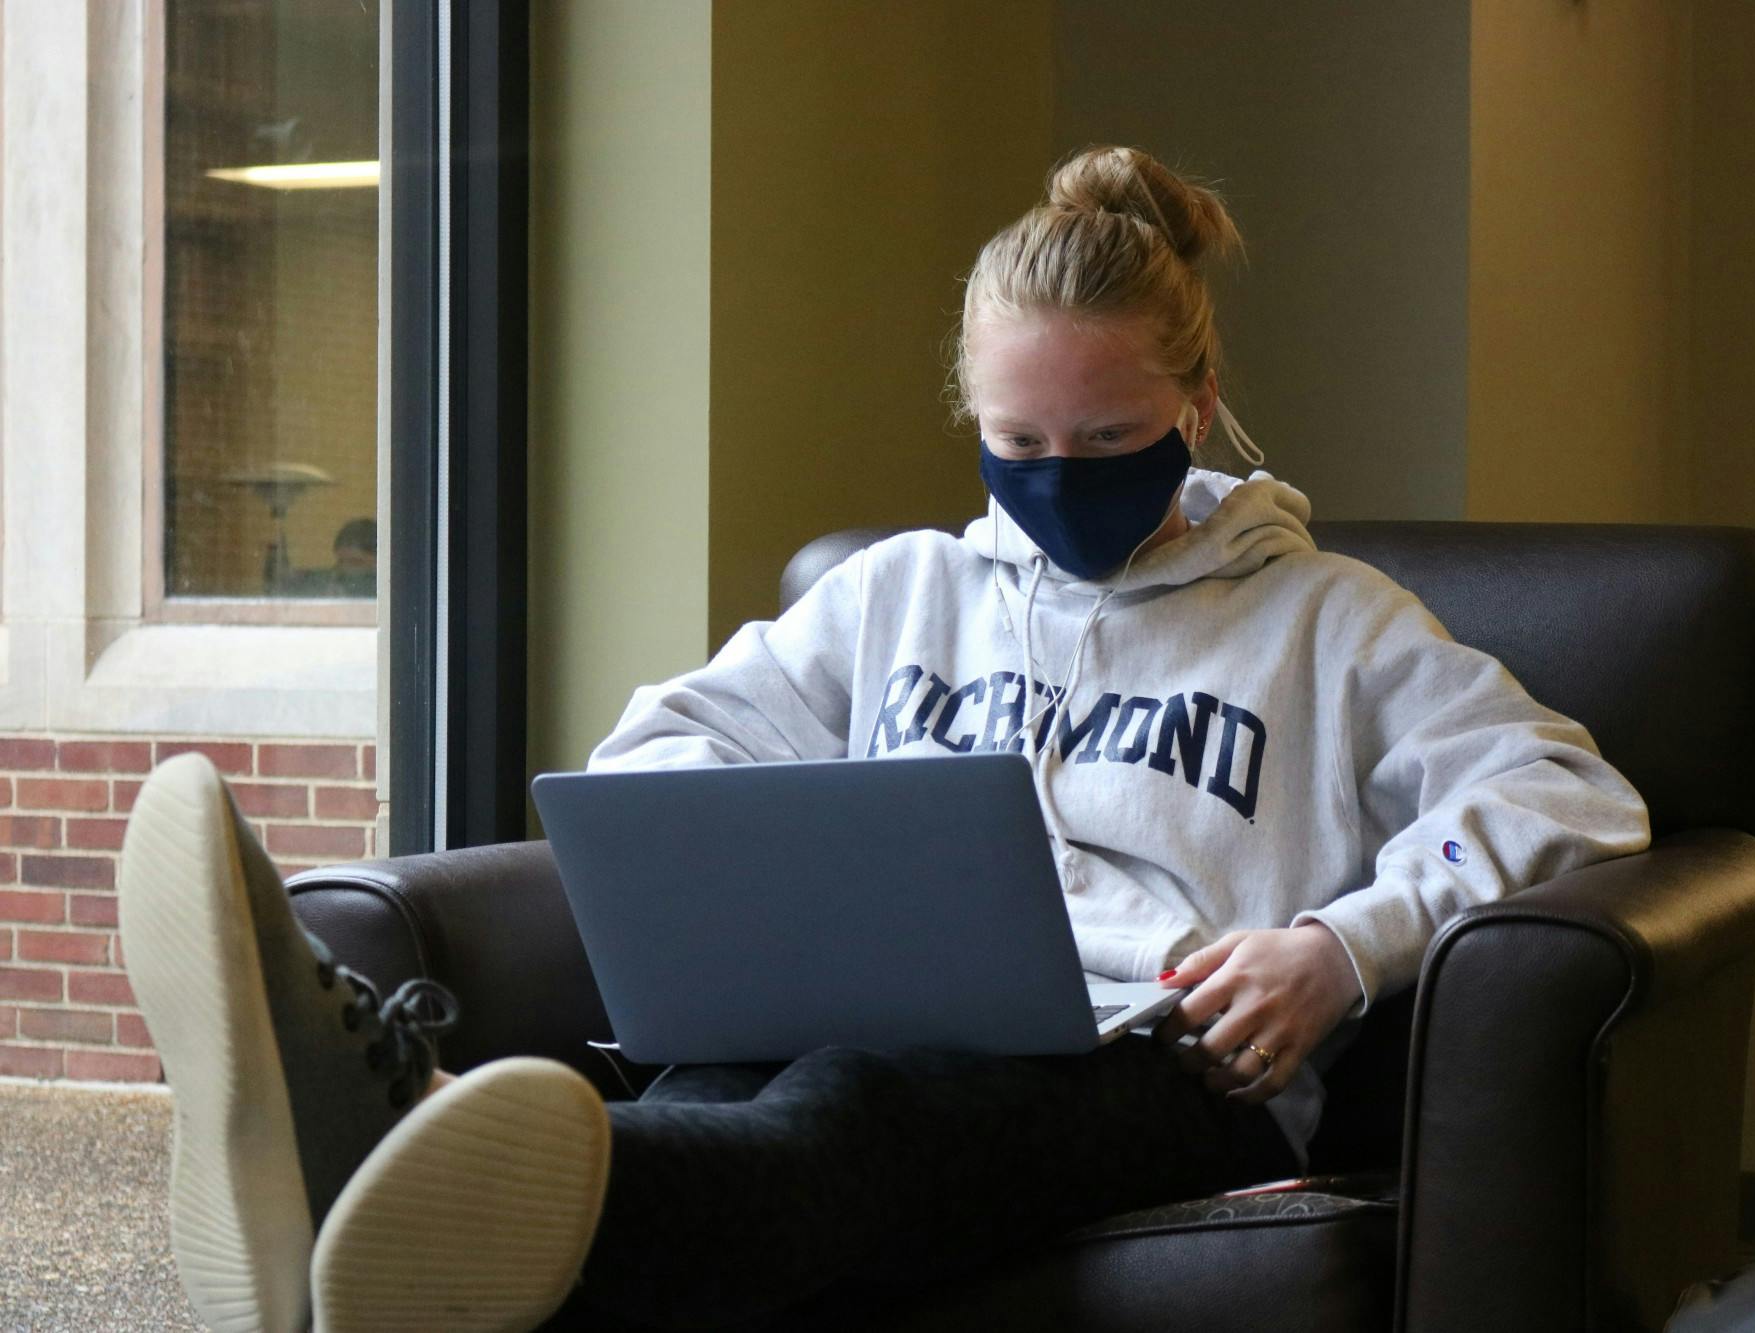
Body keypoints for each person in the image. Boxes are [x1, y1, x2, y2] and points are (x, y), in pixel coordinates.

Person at [119, 145, 1652, 1332]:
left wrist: (1339, 944)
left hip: (1161, 1063)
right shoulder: (902, 591)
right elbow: (655, 757)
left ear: (1198, 400)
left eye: (1108, 442)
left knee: (849, 1115)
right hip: (859, 1016)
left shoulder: (1334, 623)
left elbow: (1567, 795)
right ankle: (394, 1227)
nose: (1059, 479)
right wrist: (790, 881)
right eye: (1017, 445)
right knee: (727, 1101)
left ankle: (381, 1141)